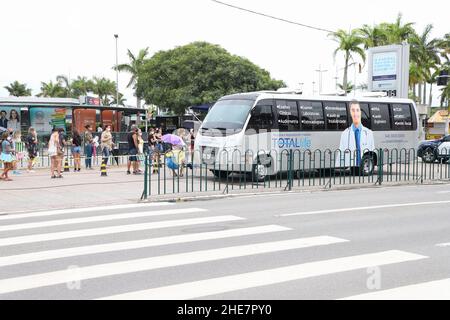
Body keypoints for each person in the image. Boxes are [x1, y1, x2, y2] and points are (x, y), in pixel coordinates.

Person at [337, 100, 375, 168]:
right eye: (353, 110)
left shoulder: (369, 133)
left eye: (357, 110)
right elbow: (340, 155)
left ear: (360, 112)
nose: (355, 113)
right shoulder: (344, 134)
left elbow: (373, 150)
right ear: (350, 113)